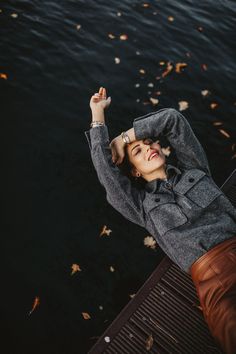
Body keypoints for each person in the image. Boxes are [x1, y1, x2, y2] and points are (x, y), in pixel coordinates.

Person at [84, 86, 236, 354]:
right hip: (216, 285)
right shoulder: (141, 206)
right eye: (138, 152)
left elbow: (172, 120)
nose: (147, 149)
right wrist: (98, 116)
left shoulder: (195, 167)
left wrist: (126, 137)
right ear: (136, 172)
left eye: (148, 143)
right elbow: (107, 174)